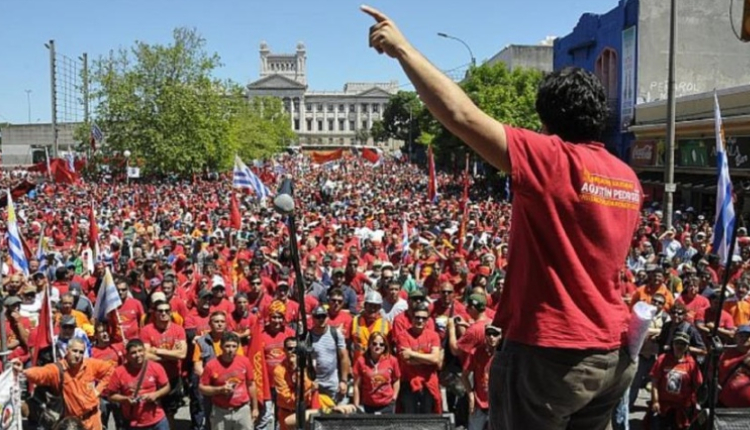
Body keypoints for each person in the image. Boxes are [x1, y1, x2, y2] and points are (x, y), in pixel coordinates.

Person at [361, 6, 641, 429]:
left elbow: (462, 116)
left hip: (551, 354)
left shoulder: (551, 158)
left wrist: (403, 49)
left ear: (545, 121)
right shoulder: (627, 178)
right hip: (613, 356)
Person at [13, 337, 115, 430]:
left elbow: (110, 370)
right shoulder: (58, 369)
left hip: (93, 421)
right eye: (75, 351)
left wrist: (97, 390)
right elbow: (42, 373)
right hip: (73, 424)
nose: (77, 355)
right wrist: (24, 371)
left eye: (81, 352)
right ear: (67, 350)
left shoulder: (90, 364)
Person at [105, 339, 171, 430]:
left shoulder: (156, 367)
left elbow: (167, 386)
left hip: (157, 420)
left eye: (140, 351)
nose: (138, 355)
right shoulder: (119, 372)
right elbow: (111, 395)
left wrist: (156, 394)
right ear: (127, 355)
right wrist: (126, 399)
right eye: (133, 353)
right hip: (135, 423)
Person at [199, 332, 259, 430]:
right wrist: (220, 389)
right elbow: (202, 388)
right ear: (221, 347)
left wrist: (255, 408)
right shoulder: (211, 365)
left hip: (242, 410)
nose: (230, 350)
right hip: (220, 411)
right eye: (227, 346)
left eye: (234, 346)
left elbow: (251, 384)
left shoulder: (245, 361)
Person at [352, 331, 400, 413]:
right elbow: (356, 385)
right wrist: (356, 406)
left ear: (385, 346)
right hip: (368, 405)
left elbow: (396, 380)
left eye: (381, 344)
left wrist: (394, 398)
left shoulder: (392, 360)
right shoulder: (361, 361)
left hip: (387, 404)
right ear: (369, 344)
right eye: (374, 344)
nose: (378, 346)